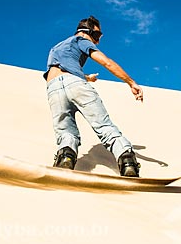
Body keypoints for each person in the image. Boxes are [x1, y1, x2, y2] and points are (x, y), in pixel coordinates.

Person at [43, 15, 144, 177]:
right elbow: (106, 62)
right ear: (85, 32)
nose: (97, 41)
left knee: (65, 131)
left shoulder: (56, 47)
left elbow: (63, 70)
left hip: (53, 88)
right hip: (76, 85)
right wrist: (130, 82)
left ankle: (66, 159)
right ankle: (127, 161)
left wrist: (88, 77)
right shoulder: (81, 41)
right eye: (96, 36)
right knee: (104, 126)